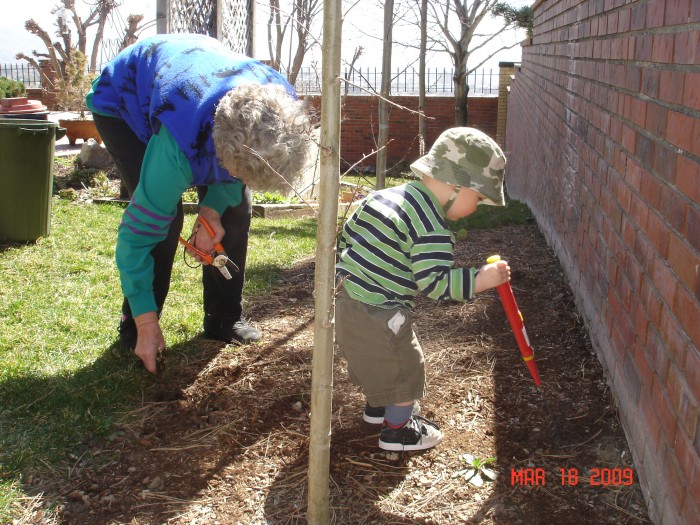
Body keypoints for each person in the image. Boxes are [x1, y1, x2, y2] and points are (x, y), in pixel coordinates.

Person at [87, 34, 313, 374]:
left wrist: (212, 211)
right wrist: (147, 325)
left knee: (236, 210)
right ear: (220, 154)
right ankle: (139, 326)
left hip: (197, 79)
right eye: (232, 171)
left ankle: (224, 320)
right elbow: (134, 240)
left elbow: (238, 176)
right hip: (126, 98)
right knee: (163, 224)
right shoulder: (178, 146)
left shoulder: (281, 109)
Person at [335, 127, 511, 451]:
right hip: (380, 310)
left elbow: (345, 237)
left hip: (346, 301)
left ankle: (379, 409)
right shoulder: (431, 226)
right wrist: (481, 280)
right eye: (479, 199)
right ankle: (398, 431)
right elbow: (436, 284)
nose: (475, 209)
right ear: (458, 186)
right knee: (406, 367)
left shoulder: (384, 197)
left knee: (373, 359)